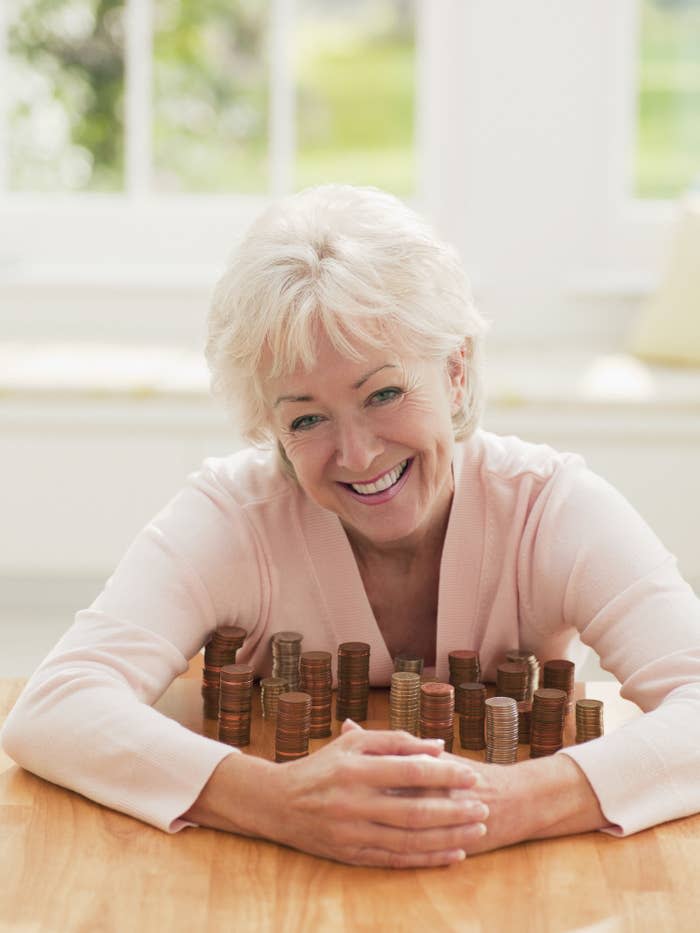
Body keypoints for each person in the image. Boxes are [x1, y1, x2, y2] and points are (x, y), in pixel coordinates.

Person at [3, 185, 699, 869]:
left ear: (455, 373)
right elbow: (56, 706)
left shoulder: (552, 506)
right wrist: (277, 801)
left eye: (384, 393)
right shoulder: (232, 514)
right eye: (306, 418)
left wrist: (500, 802)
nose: (358, 454)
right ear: (269, 426)